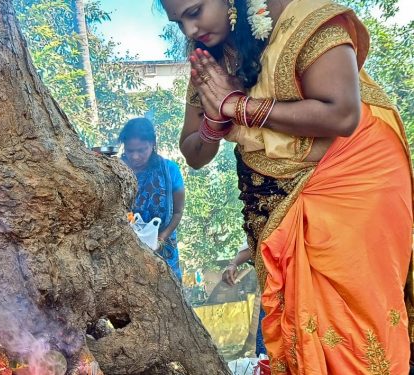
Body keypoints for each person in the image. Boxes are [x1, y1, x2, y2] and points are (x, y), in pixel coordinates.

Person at [159, 0, 414, 373]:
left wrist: (241, 107)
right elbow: (194, 153)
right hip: (272, 198)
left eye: (195, 12)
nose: (190, 31)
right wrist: (216, 120)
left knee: (355, 321)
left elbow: (342, 113)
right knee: (299, 320)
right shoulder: (210, 64)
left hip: (350, 182)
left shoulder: (302, 20)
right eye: (178, 22)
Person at [119, 117, 186, 280]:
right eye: (129, 150)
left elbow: (177, 212)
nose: (134, 157)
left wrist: (161, 238)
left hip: (162, 249)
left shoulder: (169, 171)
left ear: (153, 144)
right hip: (124, 251)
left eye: (141, 150)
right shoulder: (116, 169)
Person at [223, 245, 266, 357]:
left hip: (304, 292)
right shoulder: (265, 229)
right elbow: (253, 242)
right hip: (270, 293)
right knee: (267, 353)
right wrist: (233, 264)